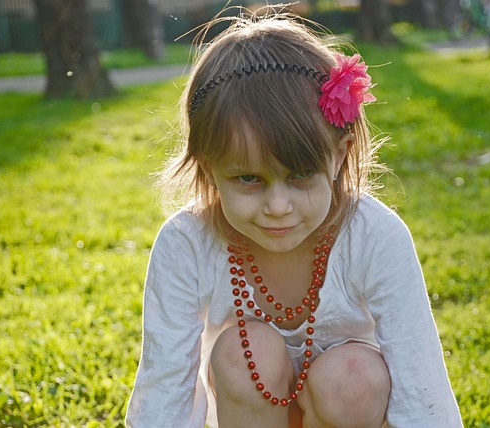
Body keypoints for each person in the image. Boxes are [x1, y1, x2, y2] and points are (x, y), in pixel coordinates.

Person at [126, 7, 463, 428]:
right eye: (248, 178)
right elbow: (165, 385)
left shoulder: (375, 236)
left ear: (338, 156)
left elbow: (422, 383)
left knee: (353, 375)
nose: (278, 206)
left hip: (347, 404)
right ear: (210, 167)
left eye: (300, 175)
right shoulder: (185, 243)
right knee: (244, 353)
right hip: (251, 410)